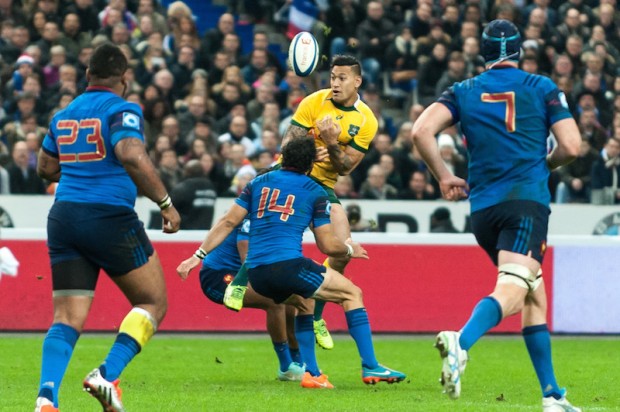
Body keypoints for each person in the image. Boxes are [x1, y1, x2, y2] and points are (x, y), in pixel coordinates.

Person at [411, 20, 582, 411]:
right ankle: (462, 342)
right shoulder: (541, 87)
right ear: (520, 51)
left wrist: (443, 176)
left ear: (483, 54)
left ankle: (553, 395)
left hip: (483, 210)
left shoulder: (463, 90)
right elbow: (572, 146)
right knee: (514, 290)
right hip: (525, 203)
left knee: (534, 293)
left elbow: (421, 130)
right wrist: (547, 164)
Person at [176, 136, 405, 389]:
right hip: (285, 266)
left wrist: (196, 256)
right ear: (311, 164)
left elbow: (227, 222)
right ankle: (370, 365)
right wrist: (350, 248)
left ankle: (311, 373)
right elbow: (327, 246)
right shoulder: (315, 191)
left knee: (303, 301)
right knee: (352, 293)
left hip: (259, 275)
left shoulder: (256, 183)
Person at [34, 43, 181, 412]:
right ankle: (106, 374)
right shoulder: (122, 109)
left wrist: (81, 165)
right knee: (152, 302)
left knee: (66, 317)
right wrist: (165, 203)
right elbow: (131, 154)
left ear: (87, 75)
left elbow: (45, 169)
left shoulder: (63, 114)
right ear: (125, 79)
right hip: (108, 215)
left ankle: (46, 398)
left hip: (64, 216)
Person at [225, 55, 379, 350]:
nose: (335, 82)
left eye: (342, 78)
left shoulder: (367, 120)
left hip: (322, 185)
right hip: (290, 172)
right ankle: (239, 282)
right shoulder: (313, 102)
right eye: (333, 76)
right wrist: (313, 150)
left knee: (343, 247)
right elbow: (288, 145)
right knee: (269, 229)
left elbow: (346, 168)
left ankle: (318, 314)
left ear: (357, 81)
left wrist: (332, 143)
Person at [182, 211, 305, 381]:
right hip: (219, 277)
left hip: (241, 272)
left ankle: (298, 361)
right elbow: (246, 257)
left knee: (292, 297)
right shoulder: (251, 216)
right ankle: (286, 367)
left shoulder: (269, 214)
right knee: (275, 301)